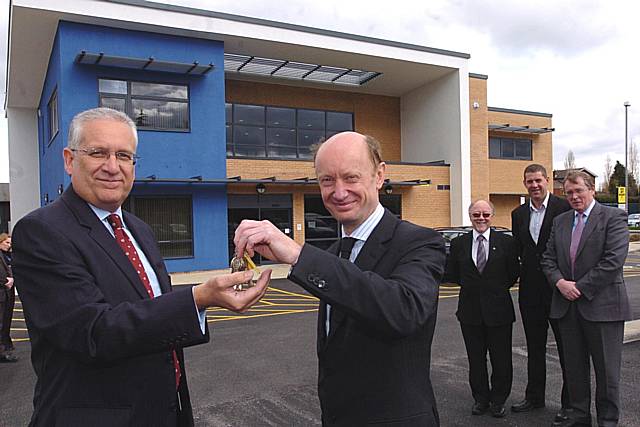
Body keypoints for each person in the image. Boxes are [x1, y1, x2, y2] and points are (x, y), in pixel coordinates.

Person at [12, 107, 271, 427]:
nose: (112, 167)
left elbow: (148, 307)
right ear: (69, 160)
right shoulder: (41, 231)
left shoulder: (139, 229)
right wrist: (199, 298)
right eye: (98, 153)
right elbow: (93, 332)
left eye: (124, 155)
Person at [234, 132, 445, 426]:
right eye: (327, 180)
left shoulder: (420, 242)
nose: (339, 191)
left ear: (380, 175)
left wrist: (298, 255)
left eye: (351, 177)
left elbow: (404, 311)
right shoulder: (335, 253)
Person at [541, 171, 631, 427]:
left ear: (592, 189)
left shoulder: (613, 217)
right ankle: (579, 415)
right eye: (569, 192)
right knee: (574, 370)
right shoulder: (560, 221)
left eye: (578, 190)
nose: (573, 196)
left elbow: (613, 261)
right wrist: (560, 283)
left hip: (603, 308)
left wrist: (578, 287)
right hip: (567, 309)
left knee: (607, 373)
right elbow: (548, 259)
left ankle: (608, 420)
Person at [444, 199, 519, 418]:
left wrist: (492, 289)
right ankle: (480, 399)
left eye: (485, 214)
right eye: (476, 215)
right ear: (470, 216)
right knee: (476, 360)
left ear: (492, 216)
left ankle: (498, 401)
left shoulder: (506, 242)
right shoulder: (459, 243)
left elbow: (512, 273)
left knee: (501, 360)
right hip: (470, 312)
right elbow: (453, 273)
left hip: (499, 312)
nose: (481, 219)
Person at [510, 164, 571, 422]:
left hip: (558, 289)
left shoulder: (564, 208)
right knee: (535, 348)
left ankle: (571, 404)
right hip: (530, 292)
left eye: (538, 180)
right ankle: (535, 397)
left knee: (567, 349)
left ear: (547, 180)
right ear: (524, 183)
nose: (534, 185)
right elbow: (519, 251)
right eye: (529, 181)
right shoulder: (518, 213)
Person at [0, 233, 17, 363]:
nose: (9, 245)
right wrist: (5, 280)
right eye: (7, 243)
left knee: (6, 321)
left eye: (10, 243)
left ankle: (5, 345)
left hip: (7, 293)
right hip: (3, 290)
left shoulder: (8, 256)